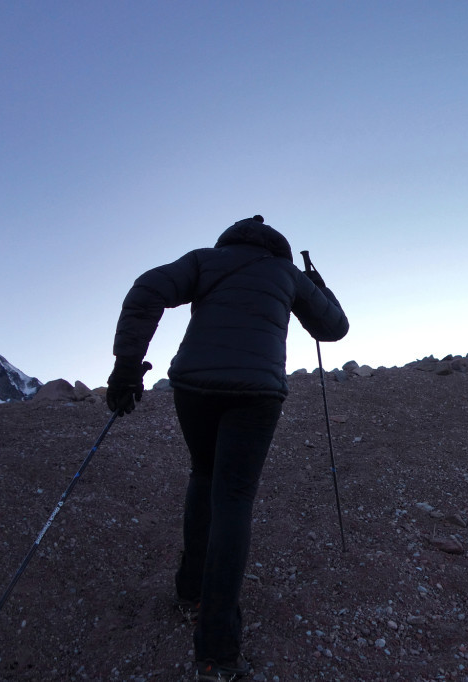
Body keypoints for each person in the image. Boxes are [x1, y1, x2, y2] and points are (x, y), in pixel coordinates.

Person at [106, 215, 349, 680]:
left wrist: (126, 368)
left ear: (230, 239)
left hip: (193, 386)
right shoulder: (286, 273)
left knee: (203, 473)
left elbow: (146, 290)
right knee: (234, 498)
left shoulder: (204, 260)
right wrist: (319, 284)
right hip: (256, 392)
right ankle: (217, 649)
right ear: (278, 247)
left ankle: (189, 587)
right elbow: (333, 328)